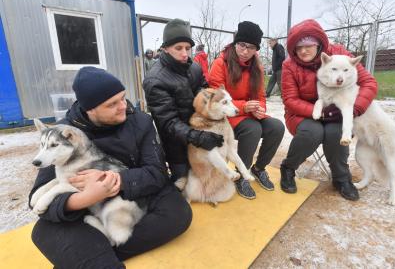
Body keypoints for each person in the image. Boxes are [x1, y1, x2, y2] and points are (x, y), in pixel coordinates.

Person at [29, 67, 192, 269]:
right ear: (90, 109)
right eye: (111, 104)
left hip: (135, 193)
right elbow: (39, 197)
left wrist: (117, 180)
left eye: (123, 98)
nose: (123, 106)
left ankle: (84, 255)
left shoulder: (141, 121)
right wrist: (84, 198)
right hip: (86, 207)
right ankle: (90, 256)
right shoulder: (64, 133)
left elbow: (157, 173)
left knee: (178, 213)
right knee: (44, 230)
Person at [279, 19, 378, 201]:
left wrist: (355, 109)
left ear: (318, 43)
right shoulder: (289, 65)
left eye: (308, 45)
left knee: (336, 132)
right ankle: (288, 168)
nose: (303, 51)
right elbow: (290, 100)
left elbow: (368, 83)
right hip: (303, 113)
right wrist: (320, 112)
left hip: (339, 112)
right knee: (312, 132)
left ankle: (341, 178)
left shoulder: (340, 54)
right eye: (298, 47)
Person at [143, 18, 224, 190]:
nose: (185, 53)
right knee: (184, 185)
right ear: (165, 48)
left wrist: (212, 106)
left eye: (188, 48)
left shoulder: (194, 67)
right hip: (176, 143)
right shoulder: (155, 79)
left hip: (199, 129)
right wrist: (198, 138)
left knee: (207, 181)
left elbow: (203, 90)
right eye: (178, 48)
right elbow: (168, 122)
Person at [208, 21, 285, 200]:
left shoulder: (256, 66)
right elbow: (216, 99)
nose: (245, 51)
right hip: (225, 118)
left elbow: (260, 96)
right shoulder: (221, 63)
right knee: (253, 129)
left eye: (251, 47)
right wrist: (243, 106)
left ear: (256, 49)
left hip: (248, 114)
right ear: (235, 43)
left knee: (276, 127)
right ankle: (242, 175)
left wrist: (260, 108)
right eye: (242, 45)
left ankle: (259, 168)